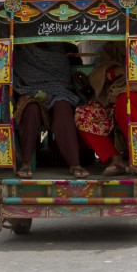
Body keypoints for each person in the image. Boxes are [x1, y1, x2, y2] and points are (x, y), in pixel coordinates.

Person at [12, 42, 88, 179]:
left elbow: (69, 74)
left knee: (63, 107)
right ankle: (26, 163)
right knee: (31, 109)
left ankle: (75, 164)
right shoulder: (19, 49)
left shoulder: (65, 47)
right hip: (31, 90)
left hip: (59, 90)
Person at [77, 42, 137, 176]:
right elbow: (99, 73)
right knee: (84, 114)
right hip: (109, 95)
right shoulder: (110, 48)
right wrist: (115, 72)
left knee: (126, 103)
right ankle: (115, 160)